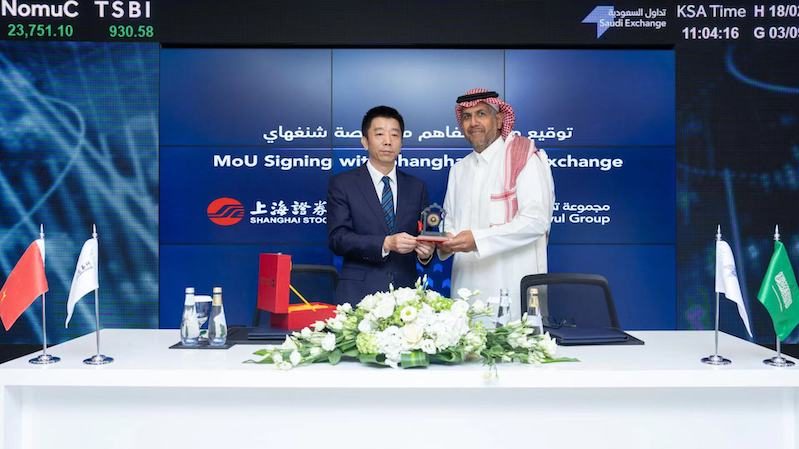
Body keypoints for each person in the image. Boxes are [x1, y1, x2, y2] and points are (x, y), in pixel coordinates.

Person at [438, 88, 555, 319]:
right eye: (467, 117)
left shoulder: (524, 157)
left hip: (512, 285)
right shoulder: (458, 169)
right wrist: (443, 242)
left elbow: (535, 222)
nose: (473, 123)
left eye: (481, 114)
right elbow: (449, 222)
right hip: (465, 291)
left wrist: (477, 240)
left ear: (499, 119)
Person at [328, 106, 435, 304]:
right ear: (364, 142)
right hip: (358, 295)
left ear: (401, 143)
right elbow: (338, 239)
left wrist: (426, 254)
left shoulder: (416, 187)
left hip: (406, 298)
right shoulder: (343, 184)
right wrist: (385, 243)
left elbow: (425, 235)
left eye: (395, 135)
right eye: (379, 134)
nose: (388, 141)